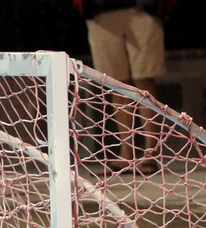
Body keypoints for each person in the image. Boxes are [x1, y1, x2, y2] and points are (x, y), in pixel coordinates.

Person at [75, 0, 176, 175]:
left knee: (144, 81)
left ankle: (150, 155)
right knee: (117, 85)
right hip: (101, 13)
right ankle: (126, 155)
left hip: (142, 10)